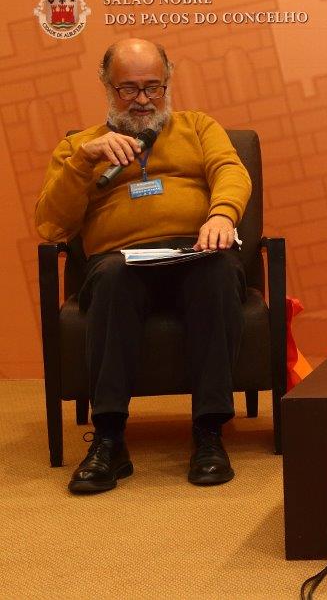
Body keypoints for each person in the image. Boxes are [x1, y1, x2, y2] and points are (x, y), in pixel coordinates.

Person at [35, 39, 252, 494]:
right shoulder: (79, 146)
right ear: (107, 86)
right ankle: (110, 440)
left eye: (153, 87)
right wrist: (83, 161)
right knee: (113, 279)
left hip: (195, 251)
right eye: (129, 88)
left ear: (167, 84)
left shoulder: (198, 127)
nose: (142, 99)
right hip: (121, 261)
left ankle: (209, 433)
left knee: (216, 273)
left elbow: (230, 170)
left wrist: (221, 215)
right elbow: (52, 224)